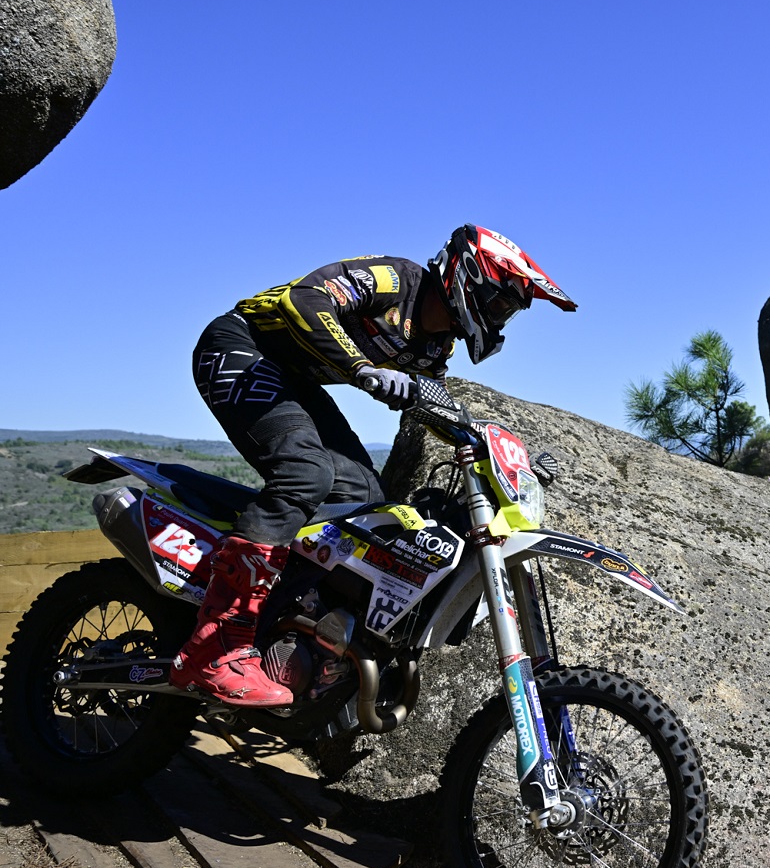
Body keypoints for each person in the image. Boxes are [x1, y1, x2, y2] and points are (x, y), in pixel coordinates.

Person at [171, 225, 576, 706]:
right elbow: (302, 299)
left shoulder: (435, 346)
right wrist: (362, 369)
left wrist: (508, 457)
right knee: (306, 472)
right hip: (241, 348)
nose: (500, 318)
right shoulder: (395, 281)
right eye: (501, 304)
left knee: (364, 498)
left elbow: (438, 408)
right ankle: (215, 644)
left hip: (292, 378)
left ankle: (276, 626)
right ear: (470, 279)